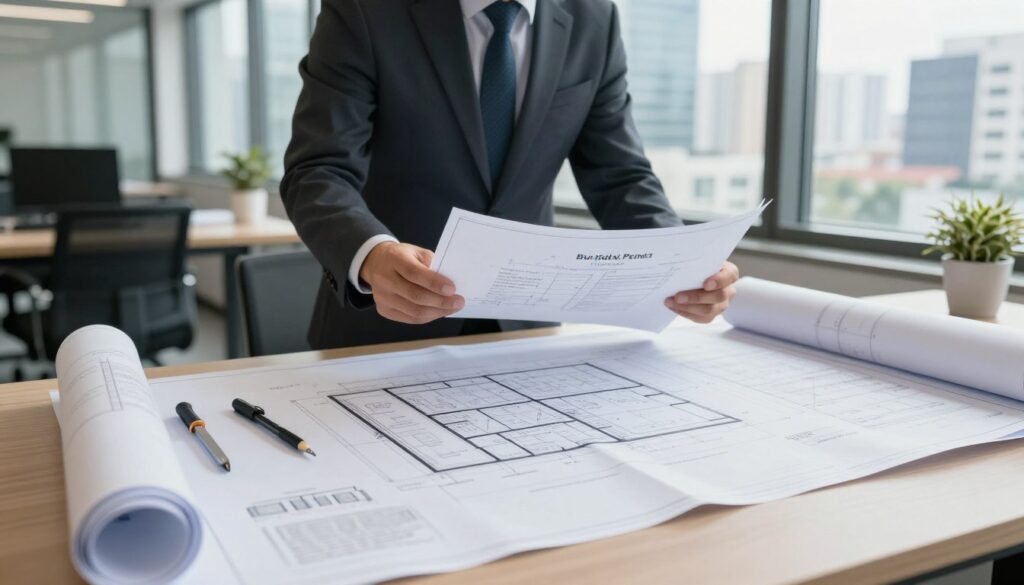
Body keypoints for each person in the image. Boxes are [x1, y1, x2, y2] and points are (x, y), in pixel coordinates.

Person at [281, 0, 739, 349]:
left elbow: (619, 174)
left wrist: (684, 263)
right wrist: (373, 255)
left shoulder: (593, 18)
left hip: (526, 330)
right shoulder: (366, 10)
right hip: (386, 326)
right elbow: (318, 170)